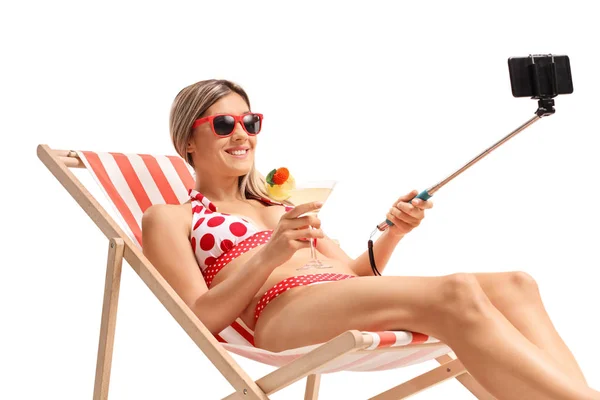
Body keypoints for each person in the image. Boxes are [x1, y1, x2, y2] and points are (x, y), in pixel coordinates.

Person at [142, 79, 599, 400]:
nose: (242, 134)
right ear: (188, 140)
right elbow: (198, 317)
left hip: (334, 297)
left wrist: (394, 233)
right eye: (224, 125)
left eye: (250, 122)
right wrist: (269, 256)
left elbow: (351, 276)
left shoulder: (282, 203)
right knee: (456, 291)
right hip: (281, 317)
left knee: (517, 284)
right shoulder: (171, 217)